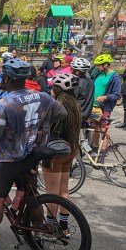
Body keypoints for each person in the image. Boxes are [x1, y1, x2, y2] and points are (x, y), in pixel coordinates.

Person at [0, 58, 66, 250]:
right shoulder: (42, 96)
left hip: (7, 158)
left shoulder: (4, 104)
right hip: (32, 154)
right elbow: (62, 113)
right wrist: (38, 124)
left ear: (7, 79)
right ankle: (38, 235)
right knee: (32, 195)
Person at [40, 73, 82, 226]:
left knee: (51, 192)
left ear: (56, 90)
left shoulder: (56, 107)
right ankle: (64, 225)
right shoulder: (75, 106)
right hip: (70, 149)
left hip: (55, 151)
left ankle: (51, 226)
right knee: (64, 190)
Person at [90, 54, 121, 152]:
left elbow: (116, 94)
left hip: (105, 107)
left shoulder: (115, 77)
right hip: (94, 106)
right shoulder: (98, 74)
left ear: (106, 65)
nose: (97, 67)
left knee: (104, 128)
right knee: (95, 127)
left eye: (99, 65)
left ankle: (103, 149)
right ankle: (95, 147)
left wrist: (105, 97)